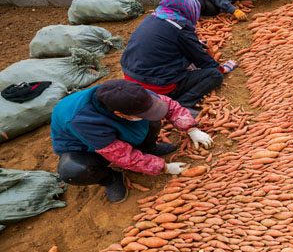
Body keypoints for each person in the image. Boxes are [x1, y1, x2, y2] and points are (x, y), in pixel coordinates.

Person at [51, 79, 213, 203]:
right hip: (86, 148)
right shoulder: (83, 120)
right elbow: (120, 155)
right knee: (73, 171)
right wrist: (164, 167)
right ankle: (111, 178)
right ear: (120, 114)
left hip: (114, 131)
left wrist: (191, 128)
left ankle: (149, 149)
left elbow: (168, 105)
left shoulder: (129, 92)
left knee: (153, 117)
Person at [120, 0, 236, 111]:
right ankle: (182, 104)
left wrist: (194, 43)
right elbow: (202, 60)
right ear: (188, 7)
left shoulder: (153, 17)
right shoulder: (180, 27)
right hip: (155, 84)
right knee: (214, 75)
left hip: (130, 78)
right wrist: (221, 69)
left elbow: (165, 42)